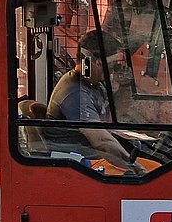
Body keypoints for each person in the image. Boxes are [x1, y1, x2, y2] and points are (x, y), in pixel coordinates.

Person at [47, 30, 144, 175]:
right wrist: (138, 169)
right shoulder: (75, 93)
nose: (111, 71)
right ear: (92, 63)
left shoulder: (92, 84)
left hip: (88, 155)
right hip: (77, 164)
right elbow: (102, 142)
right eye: (109, 65)